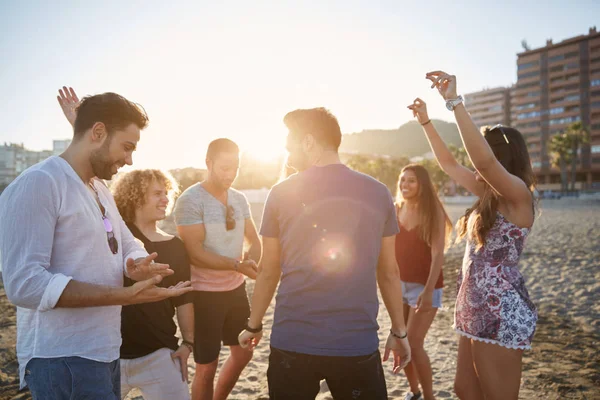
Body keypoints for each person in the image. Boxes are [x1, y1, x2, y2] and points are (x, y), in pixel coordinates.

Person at [0, 87, 192, 400]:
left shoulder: (99, 189)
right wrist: (125, 296)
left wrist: (136, 264)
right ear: (98, 132)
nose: (130, 160)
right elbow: (24, 284)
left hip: (104, 351)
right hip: (61, 359)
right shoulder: (40, 183)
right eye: (127, 147)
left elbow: (127, 242)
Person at [238, 107, 412, 400]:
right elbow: (389, 272)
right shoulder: (379, 191)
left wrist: (253, 325)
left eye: (289, 146)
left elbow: (270, 270)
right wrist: (399, 333)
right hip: (356, 341)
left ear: (308, 142)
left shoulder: (281, 193)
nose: (287, 155)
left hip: (293, 339)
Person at [409, 71, 537, 400]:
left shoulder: (517, 195)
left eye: (487, 153)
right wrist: (426, 123)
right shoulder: (487, 194)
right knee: (465, 390)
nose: (475, 162)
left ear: (503, 157)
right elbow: (449, 164)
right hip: (473, 306)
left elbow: (484, 160)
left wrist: (454, 103)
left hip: (500, 310)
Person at [174, 138, 262, 400]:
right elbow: (196, 253)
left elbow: (254, 240)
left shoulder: (239, 198)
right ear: (208, 163)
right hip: (204, 295)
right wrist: (237, 265)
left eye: (235, 167)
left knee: (244, 352)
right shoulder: (190, 200)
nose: (230, 174)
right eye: (224, 167)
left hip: (236, 290)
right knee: (206, 366)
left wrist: (252, 261)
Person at [111, 169, 194, 400]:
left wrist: (188, 344)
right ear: (135, 197)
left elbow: (185, 298)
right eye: (158, 193)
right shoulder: (114, 239)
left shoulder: (175, 245)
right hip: (109, 355)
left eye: (167, 193)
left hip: (160, 353)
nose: (166, 199)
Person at [394, 164, 452, 400]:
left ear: (422, 185)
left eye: (412, 181)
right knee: (401, 343)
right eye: (403, 180)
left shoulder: (433, 212)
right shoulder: (395, 208)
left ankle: (430, 397)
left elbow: (438, 254)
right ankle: (414, 392)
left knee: (415, 344)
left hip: (425, 286)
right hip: (398, 285)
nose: (405, 185)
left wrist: (428, 291)